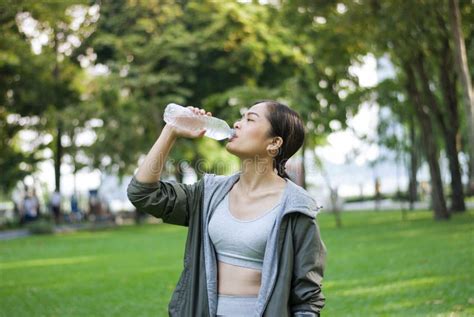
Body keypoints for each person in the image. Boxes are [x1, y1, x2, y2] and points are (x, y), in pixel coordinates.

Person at [127, 100, 326, 316]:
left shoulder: (296, 207)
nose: (237, 124)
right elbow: (143, 193)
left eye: (250, 119)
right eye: (241, 118)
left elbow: (307, 298)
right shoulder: (209, 193)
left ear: (274, 143)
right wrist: (171, 131)